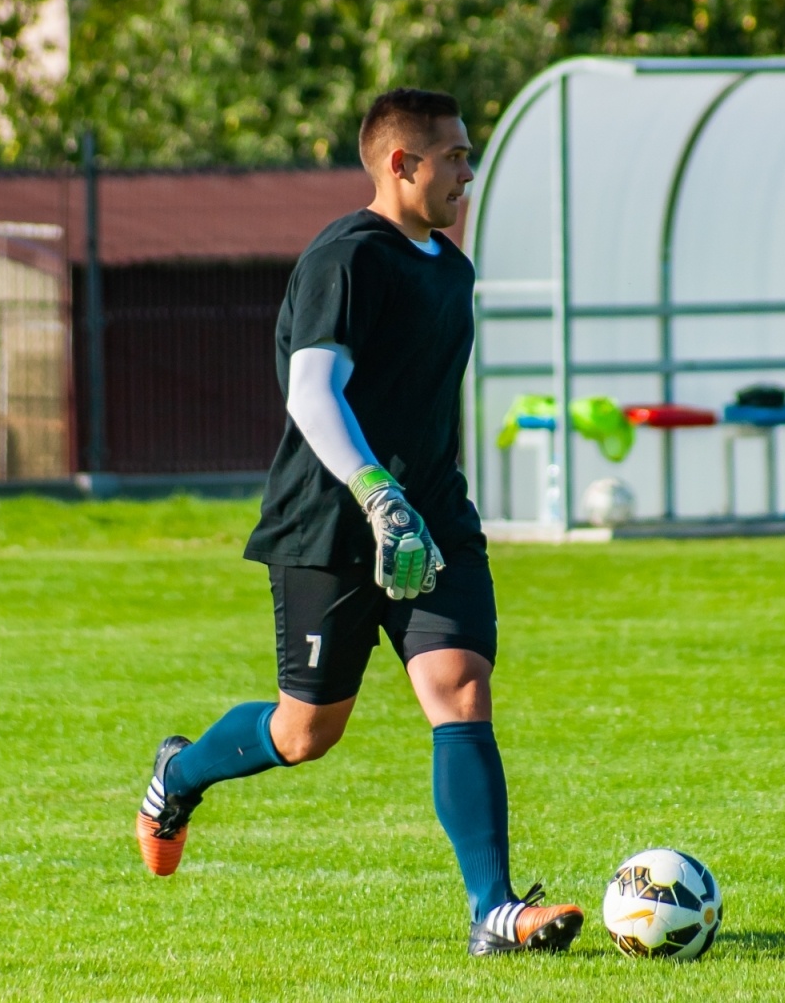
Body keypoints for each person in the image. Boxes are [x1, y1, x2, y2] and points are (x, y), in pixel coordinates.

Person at [136, 88, 584, 956]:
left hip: (434, 519)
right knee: (306, 732)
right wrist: (379, 496)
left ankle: (493, 911)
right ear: (401, 163)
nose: (468, 172)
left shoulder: (451, 268)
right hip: (332, 527)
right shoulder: (346, 259)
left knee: (461, 691)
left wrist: (415, 507)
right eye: (454, 156)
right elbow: (313, 392)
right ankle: (179, 773)